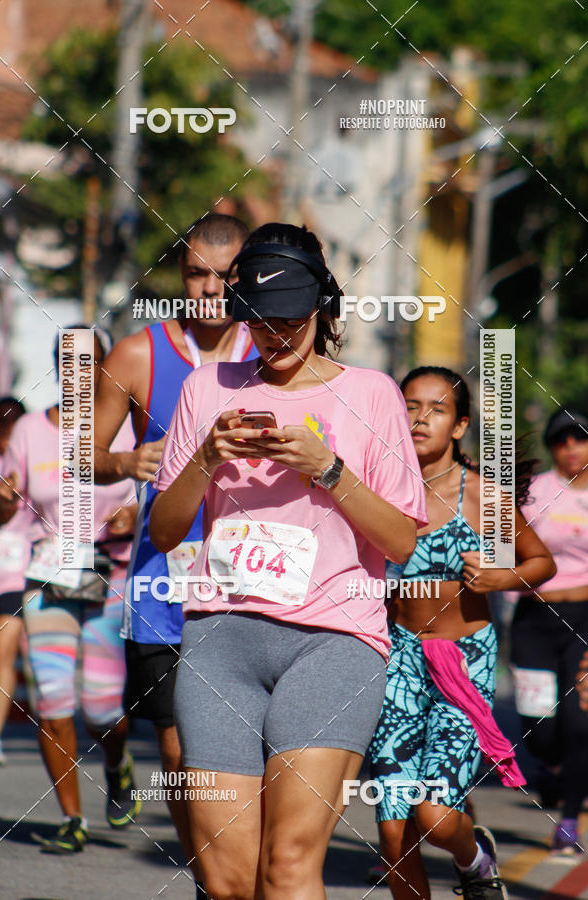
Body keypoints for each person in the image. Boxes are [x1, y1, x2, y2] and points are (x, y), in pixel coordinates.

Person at [149, 222, 428, 900]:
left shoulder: (372, 393)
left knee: (288, 865)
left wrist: (329, 469)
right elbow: (163, 532)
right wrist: (205, 458)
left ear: (322, 309)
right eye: (258, 319)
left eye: (289, 319)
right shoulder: (207, 388)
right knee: (227, 880)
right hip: (221, 639)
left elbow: (402, 542)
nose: (273, 334)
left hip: (333, 641)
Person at [93, 213, 257, 887]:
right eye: (196, 274)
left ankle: (246, 875)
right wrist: (127, 461)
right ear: (180, 275)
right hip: (164, 584)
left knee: (248, 754)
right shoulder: (139, 354)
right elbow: (82, 453)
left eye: (225, 276)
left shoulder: (272, 350)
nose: (210, 288)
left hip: (255, 580)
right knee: (180, 754)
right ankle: (210, 883)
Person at [368, 366, 555, 900]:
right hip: (397, 661)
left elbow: (541, 562)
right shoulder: (378, 489)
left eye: (437, 409)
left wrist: (501, 576)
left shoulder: (480, 496)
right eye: (409, 407)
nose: (420, 418)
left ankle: (475, 860)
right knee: (393, 831)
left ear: (459, 426)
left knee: (433, 815)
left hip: (463, 663)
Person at [0, 326, 140, 853]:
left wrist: (132, 514)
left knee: (102, 708)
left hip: (109, 577)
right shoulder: (30, 431)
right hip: (47, 578)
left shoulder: (127, 430)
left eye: (89, 363)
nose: (78, 374)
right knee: (52, 701)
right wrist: (3, 502)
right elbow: (2, 508)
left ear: (105, 369)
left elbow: (153, 497)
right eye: (68, 362)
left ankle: (118, 763)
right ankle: (71, 818)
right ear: (57, 367)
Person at [511, 407, 588, 858]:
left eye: (580, 438)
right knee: (539, 728)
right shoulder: (534, 491)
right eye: (561, 440)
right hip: (535, 620)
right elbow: (505, 548)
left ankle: (570, 820)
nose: (571, 448)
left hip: (585, 620)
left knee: (580, 721)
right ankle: (554, 765)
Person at [0, 397, 27, 764]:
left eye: (14, 423)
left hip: (16, 573)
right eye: (1, 422)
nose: (7, 430)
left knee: (3, 652)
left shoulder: (30, 459)